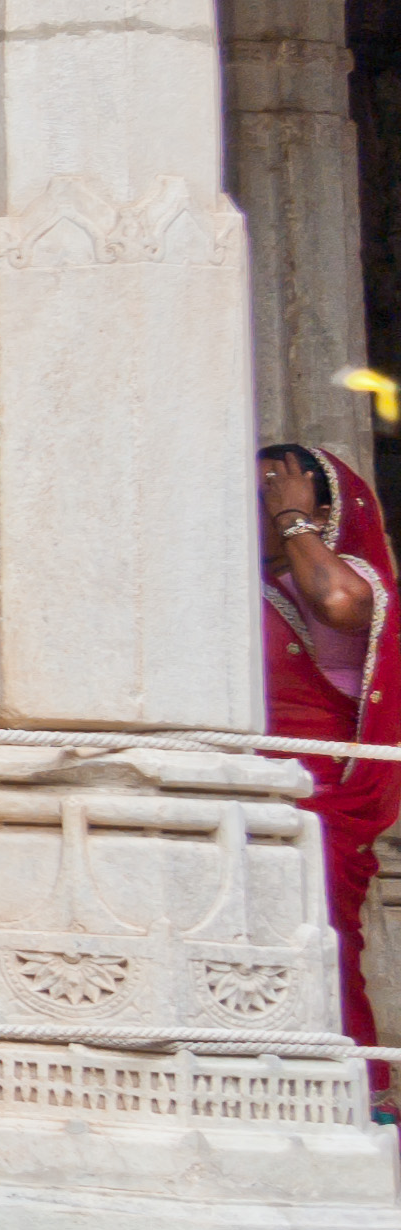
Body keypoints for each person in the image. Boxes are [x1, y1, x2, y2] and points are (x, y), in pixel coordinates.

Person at [262, 441, 401, 1112]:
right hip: (236, 777)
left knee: (322, 936)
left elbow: (337, 603)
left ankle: (357, 1094)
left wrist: (294, 523)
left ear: (322, 505)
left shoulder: (354, 576)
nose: (256, 506)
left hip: (320, 793)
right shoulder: (236, 584)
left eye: (271, 489)